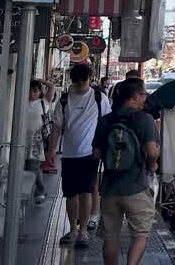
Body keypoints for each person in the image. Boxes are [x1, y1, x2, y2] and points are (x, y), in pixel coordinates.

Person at [94, 78, 160, 265]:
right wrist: (152, 164)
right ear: (134, 97)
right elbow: (152, 152)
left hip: (109, 189)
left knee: (111, 237)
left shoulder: (106, 120)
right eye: (143, 94)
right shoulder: (144, 119)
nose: (145, 97)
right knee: (141, 233)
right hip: (136, 187)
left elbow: (96, 153)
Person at [51, 63, 110, 248]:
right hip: (68, 154)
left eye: (82, 82)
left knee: (86, 192)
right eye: (76, 83)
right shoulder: (64, 100)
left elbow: (106, 124)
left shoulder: (100, 97)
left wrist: (102, 147)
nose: (79, 86)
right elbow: (57, 127)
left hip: (90, 154)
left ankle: (83, 230)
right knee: (70, 194)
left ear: (89, 79)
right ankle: (73, 229)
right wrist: (51, 150)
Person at [26, 79, 52, 204]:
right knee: (25, 166)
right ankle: (31, 191)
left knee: (33, 167)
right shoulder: (20, 100)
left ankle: (39, 191)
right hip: (20, 138)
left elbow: (51, 87)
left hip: (36, 140)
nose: (32, 94)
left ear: (39, 92)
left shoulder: (43, 102)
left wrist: (38, 80)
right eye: (30, 90)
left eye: (35, 91)